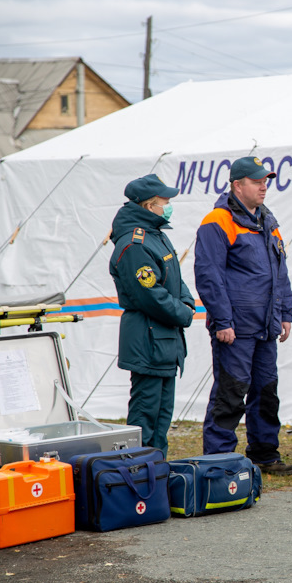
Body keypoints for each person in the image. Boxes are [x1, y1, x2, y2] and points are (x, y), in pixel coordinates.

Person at [194, 156, 292, 475]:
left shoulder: (268, 221)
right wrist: (222, 320)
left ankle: (264, 453)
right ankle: (219, 458)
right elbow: (208, 274)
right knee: (231, 391)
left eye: (266, 180)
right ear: (238, 185)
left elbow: (280, 271)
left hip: (265, 324)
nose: (264, 186)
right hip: (235, 327)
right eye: (257, 181)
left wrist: (285, 311)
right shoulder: (217, 220)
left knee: (266, 390)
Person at [109, 174, 195, 455]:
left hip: (163, 340)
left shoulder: (156, 235)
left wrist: (187, 301)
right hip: (148, 339)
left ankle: (157, 473)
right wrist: (182, 312)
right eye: (165, 202)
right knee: (146, 415)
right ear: (149, 206)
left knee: (161, 418)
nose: (168, 206)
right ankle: (138, 474)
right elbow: (149, 293)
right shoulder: (135, 244)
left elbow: (173, 278)